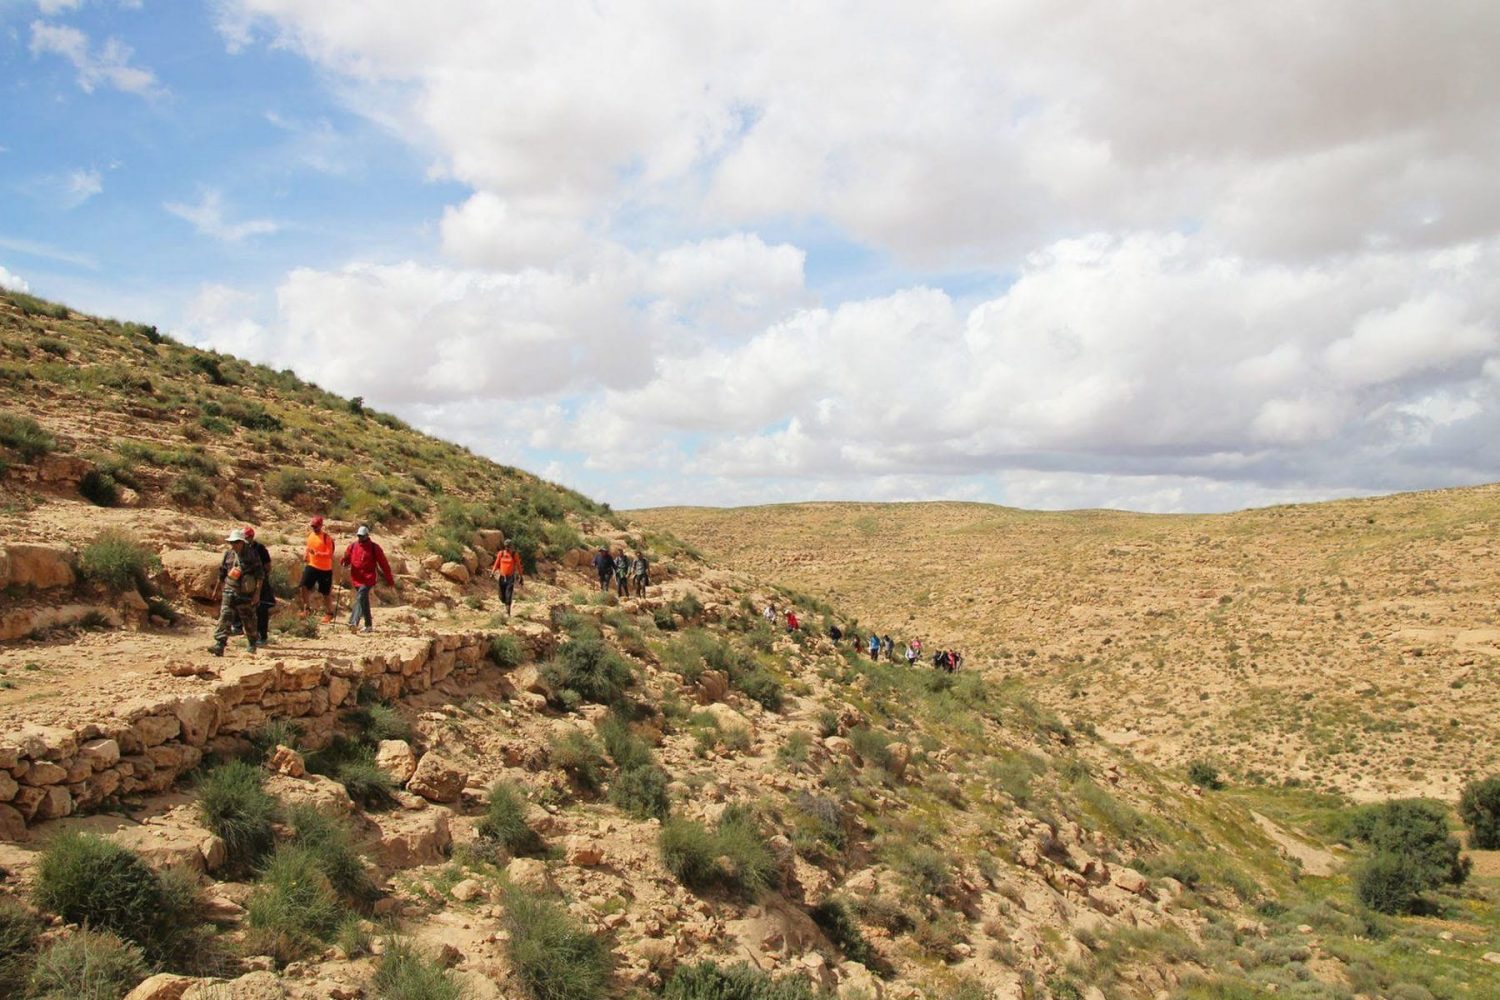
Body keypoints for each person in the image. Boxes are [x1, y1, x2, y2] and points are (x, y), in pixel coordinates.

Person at [209, 528, 262, 656]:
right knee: (225, 616)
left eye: (237, 542)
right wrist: (217, 589)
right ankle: (219, 644)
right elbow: (222, 572)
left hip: (245, 592)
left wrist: (257, 593)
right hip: (229, 589)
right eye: (232, 542)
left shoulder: (252, 555)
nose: (234, 545)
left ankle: (252, 643)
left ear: (242, 542)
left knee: (248, 618)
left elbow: (260, 575)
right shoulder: (228, 554)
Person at [341, 524, 394, 634]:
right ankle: (368, 626)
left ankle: (353, 622)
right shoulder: (353, 546)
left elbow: (384, 564)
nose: (360, 538)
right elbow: (347, 557)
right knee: (364, 601)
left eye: (362, 536)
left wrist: (389, 580)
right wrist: (344, 561)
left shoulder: (374, 548)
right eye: (359, 536)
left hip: (368, 578)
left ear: (367, 535)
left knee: (360, 597)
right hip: (356, 578)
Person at [299, 515, 336, 622]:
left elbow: (329, 554)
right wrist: (306, 555)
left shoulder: (326, 538)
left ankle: (329, 613)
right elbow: (309, 547)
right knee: (303, 586)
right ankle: (307, 609)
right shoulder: (310, 535)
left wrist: (317, 553)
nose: (314, 528)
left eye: (316, 526)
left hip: (325, 569)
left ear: (320, 526)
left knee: (325, 593)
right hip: (312, 565)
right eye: (313, 526)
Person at [492, 539, 523, 616]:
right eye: (506, 546)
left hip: (510, 578)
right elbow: (496, 563)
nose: (507, 548)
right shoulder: (501, 553)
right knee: (501, 596)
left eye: (509, 546)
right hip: (502, 577)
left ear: (511, 546)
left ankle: (507, 612)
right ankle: (505, 602)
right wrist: (492, 572)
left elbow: (519, 565)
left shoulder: (514, 554)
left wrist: (521, 576)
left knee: (508, 594)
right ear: (504, 546)